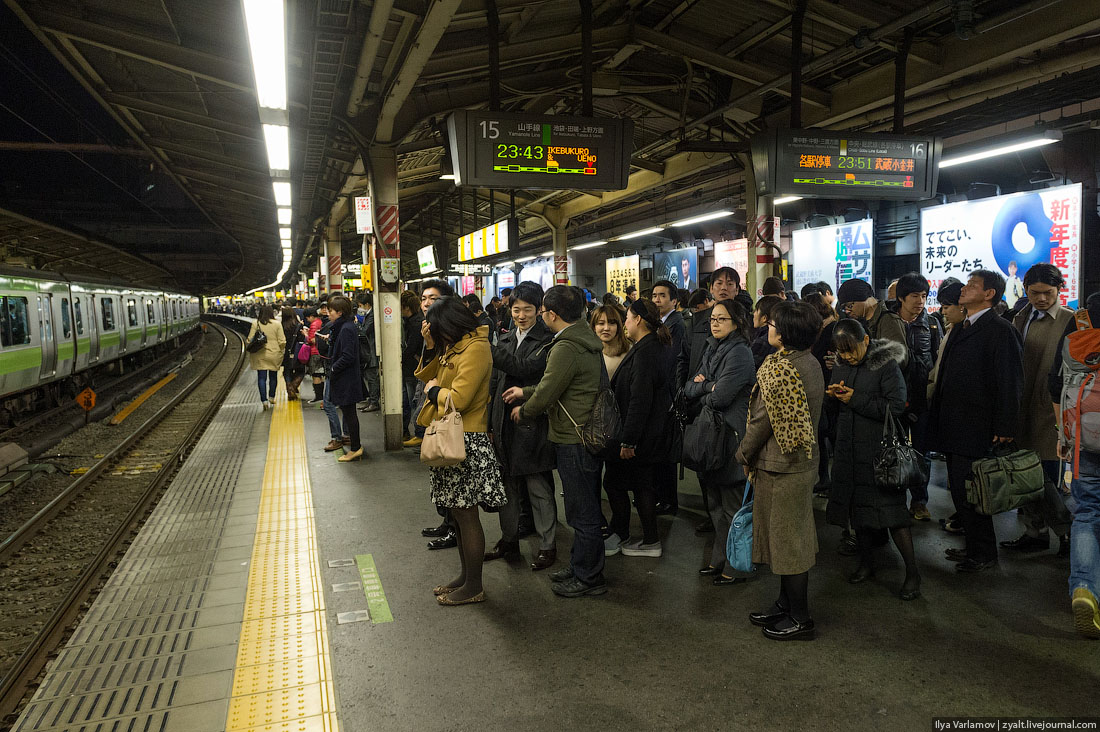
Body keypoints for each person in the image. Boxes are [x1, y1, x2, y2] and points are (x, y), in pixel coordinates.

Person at [503, 286, 605, 598]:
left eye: (542, 311)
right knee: (579, 507)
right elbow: (560, 385)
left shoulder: (565, 347)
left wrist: (526, 408)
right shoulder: (581, 338)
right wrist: (526, 392)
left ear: (551, 315)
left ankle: (589, 577)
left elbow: (549, 389)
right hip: (580, 434)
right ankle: (579, 566)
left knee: (582, 512)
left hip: (575, 438)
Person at [736, 301, 825, 641]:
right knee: (785, 540)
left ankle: (800, 618)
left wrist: (743, 454)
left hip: (781, 467)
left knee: (790, 545)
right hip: (797, 464)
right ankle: (784, 604)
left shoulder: (780, 370)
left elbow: (762, 423)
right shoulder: (808, 361)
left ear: (785, 332)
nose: (767, 327)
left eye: (772, 323)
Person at [928, 270, 1024, 573]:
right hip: (954, 423)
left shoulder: (1000, 330)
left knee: (974, 492)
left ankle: (984, 553)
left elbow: (1010, 381)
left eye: (972, 286)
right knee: (960, 491)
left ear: (989, 294)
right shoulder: (960, 326)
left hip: (978, 425)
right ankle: (974, 546)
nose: (963, 290)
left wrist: (1005, 426)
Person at [417, 297, 506, 605]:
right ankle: (465, 577)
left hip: (466, 439)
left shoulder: (477, 348)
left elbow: (461, 397)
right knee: (457, 513)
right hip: (452, 436)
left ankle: (474, 586)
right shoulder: (454, 347)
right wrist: (431, 348)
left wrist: (432, 391)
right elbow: (431, 376)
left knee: (467, 516)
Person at [825, 319, 920, 600]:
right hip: (847, 448)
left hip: (880, 452)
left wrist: (854, 398)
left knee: (893, 514)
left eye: (851, 349)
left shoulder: (886, 365)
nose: (846, 356)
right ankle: (867, 563)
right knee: (859, 512)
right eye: (841, 351)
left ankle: (912, 573)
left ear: (866, 341)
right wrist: (834, 395)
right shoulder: (841, 364)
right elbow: (837, 403)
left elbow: (896, 406)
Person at [1001, 263, 1074, 554]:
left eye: (1048, 292)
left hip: (1053, 412)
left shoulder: (1071, 321)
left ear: (1059, 290)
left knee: (1048, 478)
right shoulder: (1020, 316)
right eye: (1034, 293)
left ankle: (1066, 534)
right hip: (1021, 409)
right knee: (1024, 476)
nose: (1041, 299)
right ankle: (1035, 533)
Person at [486, 282, 557, 570]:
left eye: (528, 309)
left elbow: (523, 368)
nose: (521, 315)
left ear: (539, 310)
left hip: (531, 423)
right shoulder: (505, 339)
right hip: (504, 424)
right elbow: (494, 383)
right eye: (516, 309)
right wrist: (490, 422)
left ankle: (548, 545)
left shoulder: (546, 341)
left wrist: (488, 348)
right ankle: (509, 540)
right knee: (508, 487)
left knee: (537, 486)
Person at [684, 298, 755, 584]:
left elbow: (720, 397)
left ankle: (737, 565)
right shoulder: (712, 349)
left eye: (721, 319)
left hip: (730, 437)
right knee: (714, 504)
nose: (714, 324)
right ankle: (718, 559)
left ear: (737, 323)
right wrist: (706, 385)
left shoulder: (739, 353)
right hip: (711, 436)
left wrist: (705, 386)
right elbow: (688, 388)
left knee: (732, 506)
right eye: (712, 319)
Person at [602, 299, 676, 558]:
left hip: (641, 435)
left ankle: (645, 539)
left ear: (639, 321)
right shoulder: (656, 345)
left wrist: (628, 441)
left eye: (627, 318)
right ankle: (642, 537)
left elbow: (639, 400)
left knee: (621, 483)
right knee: (640, 484)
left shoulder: (646, 351)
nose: (625, 323)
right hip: (651, 432)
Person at [677, 266, 745, 534]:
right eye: (718, 282)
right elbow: (685, 359)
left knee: (728, 475)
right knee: (704, 463)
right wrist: (685, 389)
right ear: (711, 288)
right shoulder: (699, 321)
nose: (724, 287)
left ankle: (732, 540)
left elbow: (726, 389)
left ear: (738, 289)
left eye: (730, 283)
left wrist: (702, 387)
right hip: (698, 406)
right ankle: (712, 517)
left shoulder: (742, 323)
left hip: (727, 413)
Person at [1049, 292, 1100, 638]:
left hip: (1086, 438)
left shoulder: (1080, 320)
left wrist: (1064, 436)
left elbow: (1057, 385)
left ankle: (1084, 589)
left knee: (1087, 513)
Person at [893, 273, 941, 522]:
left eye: (924, 296)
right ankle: (895, 499)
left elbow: (937, 358)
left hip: (922, 398)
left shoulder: (931, 324)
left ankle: (919, 501)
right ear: (901, 297)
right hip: (896, 398)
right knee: (895, 450)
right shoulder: (889, 322)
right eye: (915, 296)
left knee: (921, 453)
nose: (920, 301)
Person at [650, 280, 686, 514]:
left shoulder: (676, 323)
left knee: (665, 450)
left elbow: (670, 358)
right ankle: (659, 495)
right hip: (662, 392)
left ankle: (668, 500)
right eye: (654, 296)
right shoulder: (660, 322)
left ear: (674, 301)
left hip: (669, 392)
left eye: (662, 296)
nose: (657, 300)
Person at [326, 296, 366, 462]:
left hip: (346, 379)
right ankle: (355, 447)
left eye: (331, 311)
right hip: (346, 378)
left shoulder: (346, 329)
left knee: (350, 414)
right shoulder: (344, 327)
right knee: (349, 413)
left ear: (339, 312)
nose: (328, 314)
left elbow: (348, 355)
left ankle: (356, 448)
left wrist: (334, 368)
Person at [247, 305, 286, 410]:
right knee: (273, 376)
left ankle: (264, 401)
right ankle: (271, 397)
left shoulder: (256, 323)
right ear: (271, 313)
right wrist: (281, 350)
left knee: (261, 378)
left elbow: (250, 339)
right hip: (274, 353)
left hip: (259, 353)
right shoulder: (277, 324)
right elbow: (282, 341)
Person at [400, 290, 425, 442]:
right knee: (409, 401)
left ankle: (419, 433)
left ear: (406, 307)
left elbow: (411, 348)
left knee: (414, 400)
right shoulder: (412, 322)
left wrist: (400, 358)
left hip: (413, 368)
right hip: (411, 367)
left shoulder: (415, 324)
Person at [354, 291, 380, 412]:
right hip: (368, 350)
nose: (359, 308)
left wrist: (357, 325)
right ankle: (371, 400)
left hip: (372, 351)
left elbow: (364, 332)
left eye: (360, 305)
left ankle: (374, 402)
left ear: (367, 304)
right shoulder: (368, 315)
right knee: (370, 378)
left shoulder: (372, 316)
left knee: (372, 378)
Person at [750, 295, 783, 369]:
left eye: (756, 310)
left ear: (764, 318)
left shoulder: (763, 340)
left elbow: (751, 367)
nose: (753, 313)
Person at [280, 307, 306, 400]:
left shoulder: (281, 326)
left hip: (285, 352)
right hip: (298, 351)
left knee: (287, 371)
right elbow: (302, 339)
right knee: (301, 370)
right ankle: (294, 386)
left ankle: (289, 388)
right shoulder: (299, 325)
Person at [304, 307, 325, 403]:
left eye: (307, 318)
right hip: (320, 352)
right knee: (320, 374)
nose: (307, 320)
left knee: (316, 374)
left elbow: (312, 340)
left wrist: (305, 334)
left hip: (314, 352)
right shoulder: (320, 322)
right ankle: (321, 396)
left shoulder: (313, 325)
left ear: (311, 316)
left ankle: (319, 396)